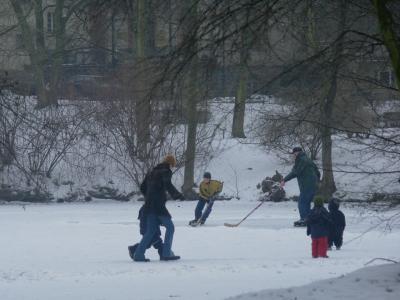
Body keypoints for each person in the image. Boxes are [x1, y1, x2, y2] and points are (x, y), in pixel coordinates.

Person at [133, 154, 184, 262]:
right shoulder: (166, 171)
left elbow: (142, 187)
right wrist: (178, 195)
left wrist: (149, 196)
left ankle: (138, 255)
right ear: (171, 164)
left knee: (150, 231)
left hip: (148, 206)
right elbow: (168, 184)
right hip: (158, 206)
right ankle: (166, 253)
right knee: (170, 227)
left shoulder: (152, 172)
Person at [280, 147, 320, 227]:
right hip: (313, 185)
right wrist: (317, 181)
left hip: (307, 185)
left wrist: (284, 180)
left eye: (293, 154)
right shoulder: (308, 159)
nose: (293, 156)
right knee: (306, 203)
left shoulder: (301, 160)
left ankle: (304, 219)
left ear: (296, 153)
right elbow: (317, 172)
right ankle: (308, 219)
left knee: (302, 202)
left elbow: (295, 172)